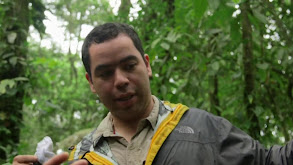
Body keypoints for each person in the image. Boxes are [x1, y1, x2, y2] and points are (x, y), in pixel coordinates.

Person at [13, 23, 293, 165]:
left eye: (129, 65)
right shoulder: (79, 158)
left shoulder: (204, 129)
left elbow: (271, 161)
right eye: (106, 73)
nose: (120, 80)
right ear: (90, 82)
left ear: (146, 65)